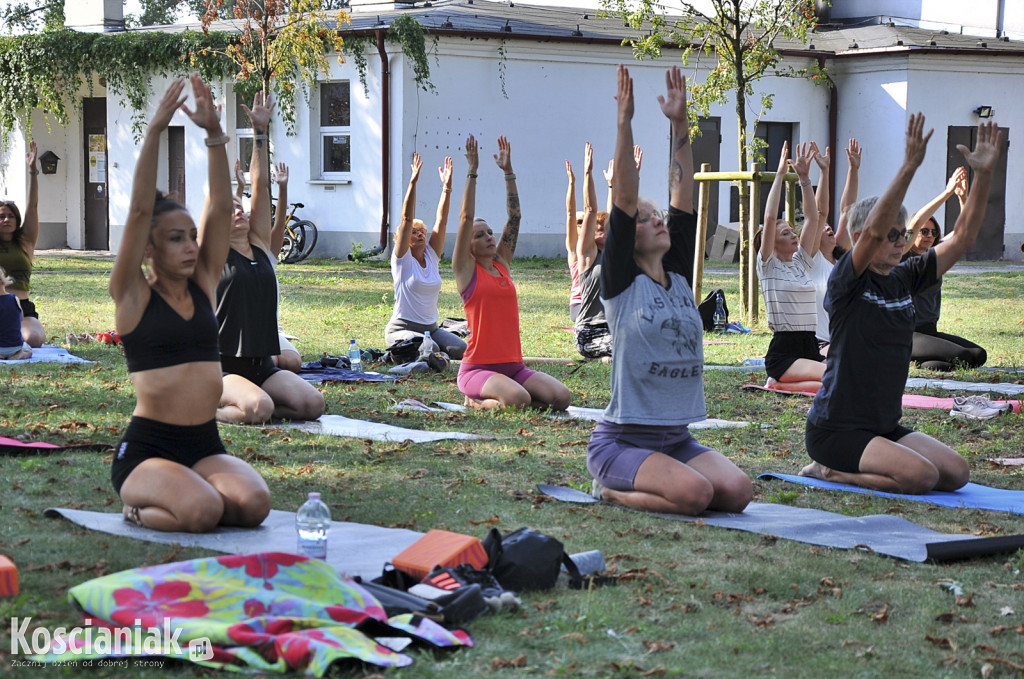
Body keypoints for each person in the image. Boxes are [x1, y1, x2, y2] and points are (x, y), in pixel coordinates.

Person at [801, 114, 1001, 494]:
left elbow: (961, 239)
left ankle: (868, 460)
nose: (899, 241)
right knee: (922, 477)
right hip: (837, 429)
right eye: (891, 234)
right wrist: (909, 165)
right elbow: (875, 228)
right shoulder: (849, 279)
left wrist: (985, 175)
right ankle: (828, 470)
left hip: (884, 426)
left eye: (903, 233)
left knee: (956, 473)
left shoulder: (906, 276)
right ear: (861, 238)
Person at [586, 65, 751, 515]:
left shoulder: (677, 272)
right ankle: (611, 490)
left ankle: (664, 476)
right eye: (644, 219)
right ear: (627, 236)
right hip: (623, 441)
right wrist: (625, 121)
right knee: (696, 496)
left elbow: (683, 195)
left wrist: (680, 123)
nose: (656, 219)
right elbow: (623, 197)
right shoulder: (621, 279)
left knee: (737, 493)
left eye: (656, 216)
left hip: (676, 437)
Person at [108, 75, 270, 532]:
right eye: (175, 239)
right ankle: (135, 506)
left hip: (205, 444)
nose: (189, 246)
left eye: (191, 238)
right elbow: (140, 212)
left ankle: (187, 491)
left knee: (255, 505)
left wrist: (215, 134)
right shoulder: (132, 294)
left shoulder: (202, 284)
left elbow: (220, 207)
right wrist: (156, 130)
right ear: (148, 250)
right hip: (147, 450)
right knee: (203, 512)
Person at [216, 93, 325, 424]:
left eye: (242, 208)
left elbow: (261, 186)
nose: (239, 210)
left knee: (312, 404)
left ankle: (254, 403)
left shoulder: (261, 248)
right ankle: (205, 407)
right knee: (259, 409)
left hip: (261, 366)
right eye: (231, 208)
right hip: (222, 367)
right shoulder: (215, 256)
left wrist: (260, 133)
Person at [452, 135, 572, 411]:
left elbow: (515, 217)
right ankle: (475, 402)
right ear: (468, 246)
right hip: (477, 369)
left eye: (490, 233)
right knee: (520, 401)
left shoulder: (501, 264)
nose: (489, 237)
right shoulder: (465, 270)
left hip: (514, 368)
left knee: (561, 398)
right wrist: (472, 172)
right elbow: (465, 219)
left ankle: (506, 396)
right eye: (479, 235)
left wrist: (508, 172)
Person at [754, 141, 825, 393]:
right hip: (784, 354)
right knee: (837, 379)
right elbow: (770, 218)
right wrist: (781, 175)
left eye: (792, 231)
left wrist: (805, 178)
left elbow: (813, 218)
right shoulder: (767, 266)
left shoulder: (800, 263)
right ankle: (779, 382)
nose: (794, 235)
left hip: (810, 346)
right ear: (771, 241)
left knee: (847, 377)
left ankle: (778, 385)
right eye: (786, 234)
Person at [902, 166, 987, 370]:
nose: (930, 235)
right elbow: (914, 223)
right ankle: (913, 357)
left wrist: (962, 198)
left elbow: (962, 233)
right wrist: (947, 193)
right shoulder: (900, 254)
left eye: (933, 231)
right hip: (906, 333)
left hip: (929, 331)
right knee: (964, 356)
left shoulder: (935, 257)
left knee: (978, 355)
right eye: (924, 231)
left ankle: (922, 361)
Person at [385, 152, 466, 359]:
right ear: (402, 238)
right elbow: (406, 218)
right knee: (432, 350)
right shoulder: (402, 259)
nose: (420, 233)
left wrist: (446, 188)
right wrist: (413, 182)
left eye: (422, 231)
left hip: (432, 329)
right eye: (414, 231)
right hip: (402, 329)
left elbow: (442, 221)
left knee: (462, 350)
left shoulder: (431, 255)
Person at [808, 139, 858, 347]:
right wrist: (824, 172)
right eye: (824, 228)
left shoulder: (841, 256)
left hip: (846, 340)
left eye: (830, 227)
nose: (828, 228)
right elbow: (820, 213)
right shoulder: (810, 258)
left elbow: (848, 210)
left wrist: (853, 169)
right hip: (821, 342)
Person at [0, 142, 44, 347]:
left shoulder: (26, 242)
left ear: (17, 220)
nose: (6, 220)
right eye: (1, 217)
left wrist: (32, 171)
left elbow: (32, 207)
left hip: (22, 307)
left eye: (10, 216)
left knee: (33, 339)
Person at [574, 141, 612, 359]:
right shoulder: (588, 256)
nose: (603, 230)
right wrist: (587, 173)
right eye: (598, 228)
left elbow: (618, 214)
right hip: (590, 333)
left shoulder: (615, 254)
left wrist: (613, 186)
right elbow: (590, 209)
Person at [0, 265, 31, 359]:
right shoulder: (15, 299)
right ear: (4, 282)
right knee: (29, 350)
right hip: (15, 346)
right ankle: (20, 354)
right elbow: (20, 318)